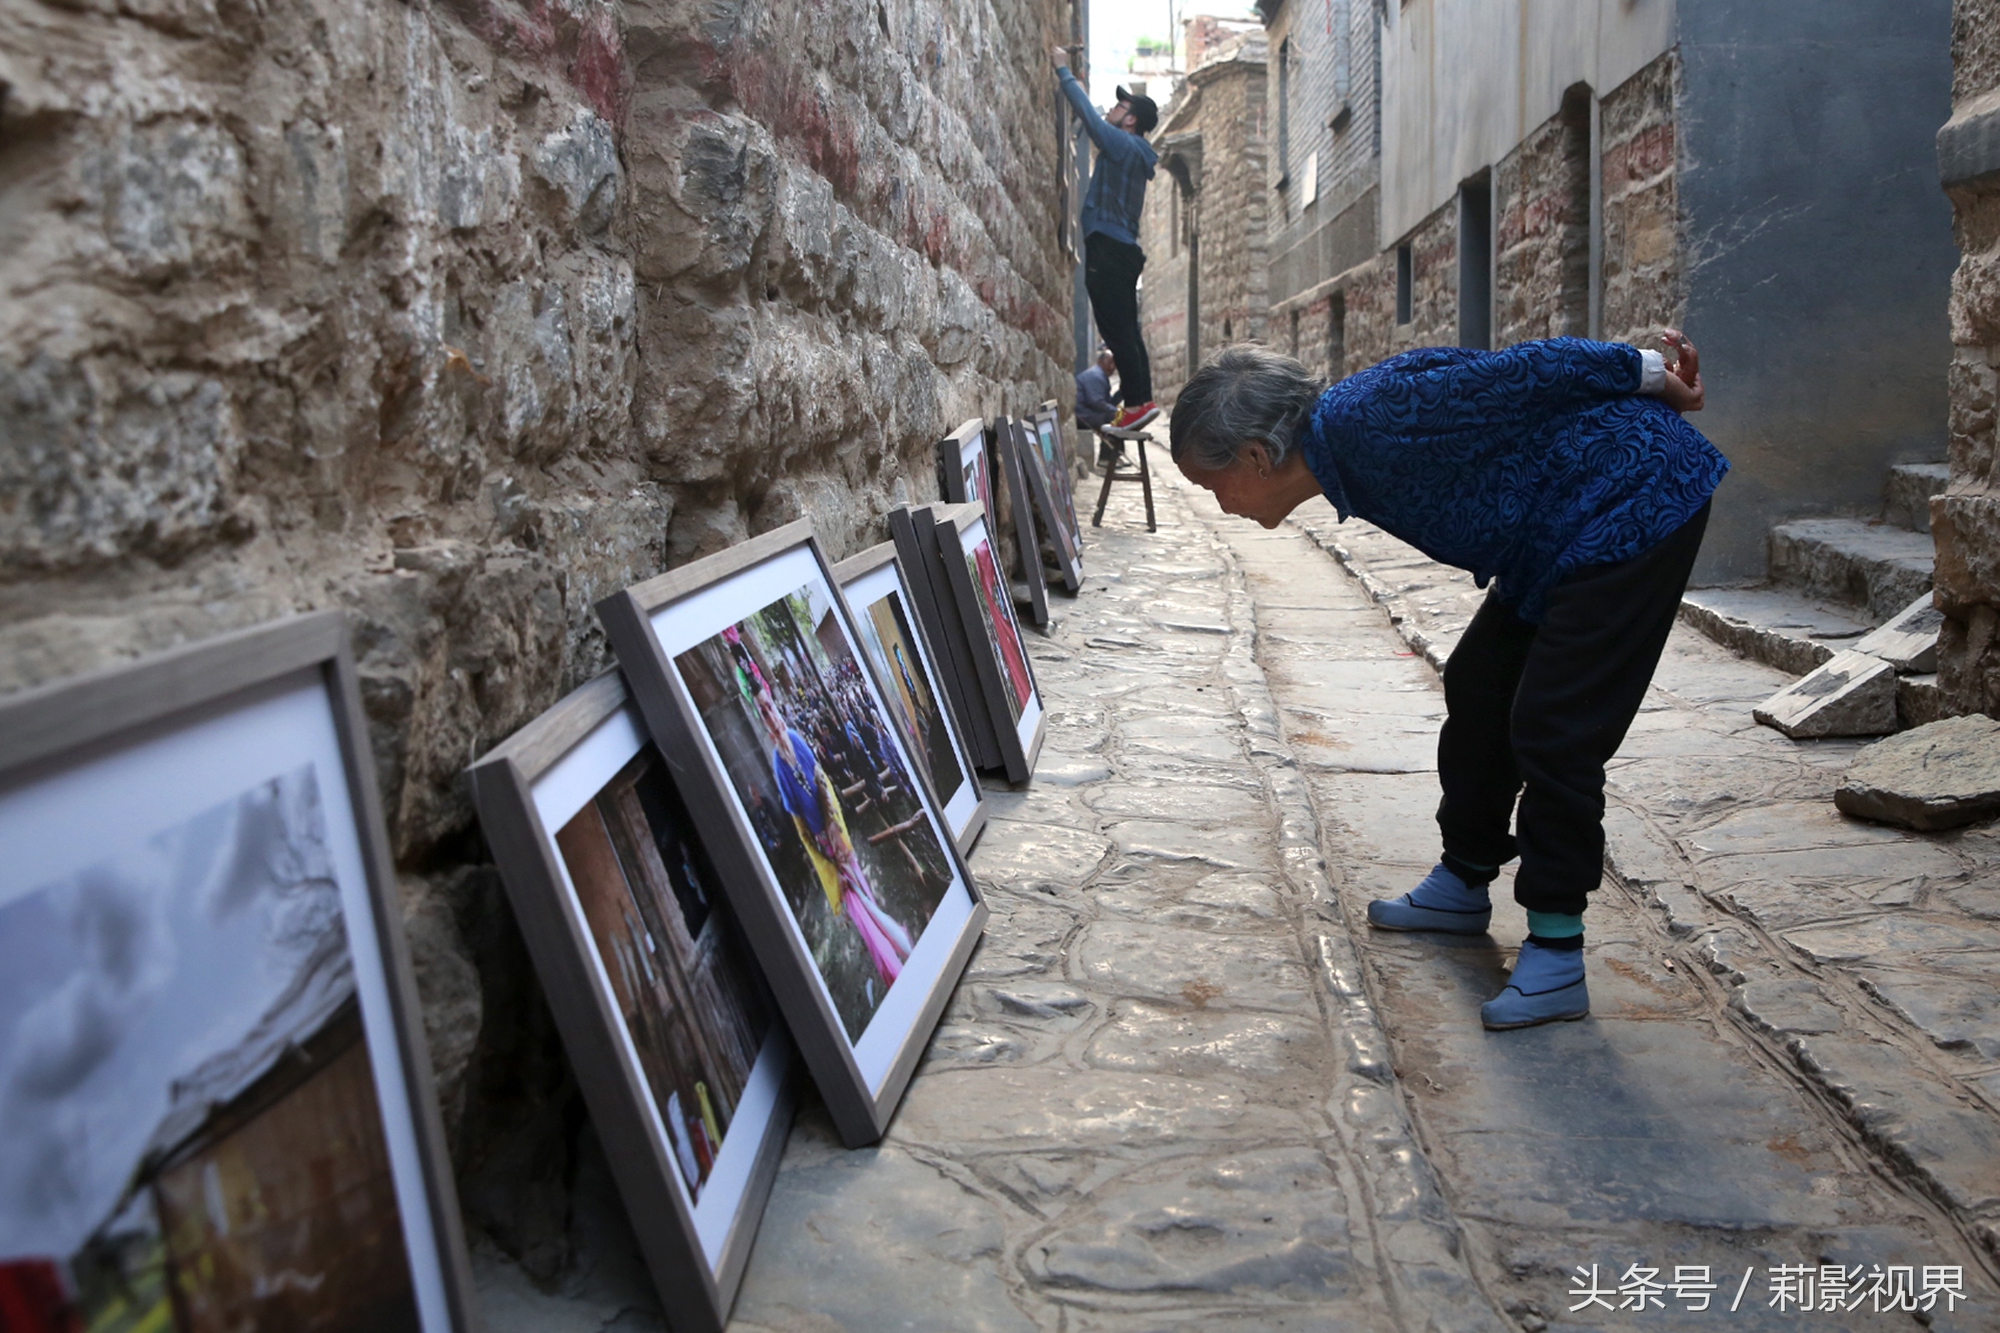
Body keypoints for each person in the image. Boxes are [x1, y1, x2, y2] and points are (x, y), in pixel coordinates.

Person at [1170, 332, 1722, 1030]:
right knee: (1480, 684)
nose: (1220, 504)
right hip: (1550, 526)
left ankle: (1555, 951)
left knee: (1556, 726)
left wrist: (1654, 376)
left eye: (1210, 484)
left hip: (1633, 495)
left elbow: (1527, 368)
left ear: (1254, 455)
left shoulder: (1364, 417)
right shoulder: (1345, 441)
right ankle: (1463, 880)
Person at [1053, 48, 1160, 434]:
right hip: (1123, 249)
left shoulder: (1123, 144)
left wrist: (1064, 71)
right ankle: (1141, 402)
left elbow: (1094, 125)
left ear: (1130, 119)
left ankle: (1135, 403)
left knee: (1115, 329)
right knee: (1126, 329)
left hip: (1110, 249)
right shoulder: (1135, 152)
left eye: (1120, 106)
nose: (1113, 109)